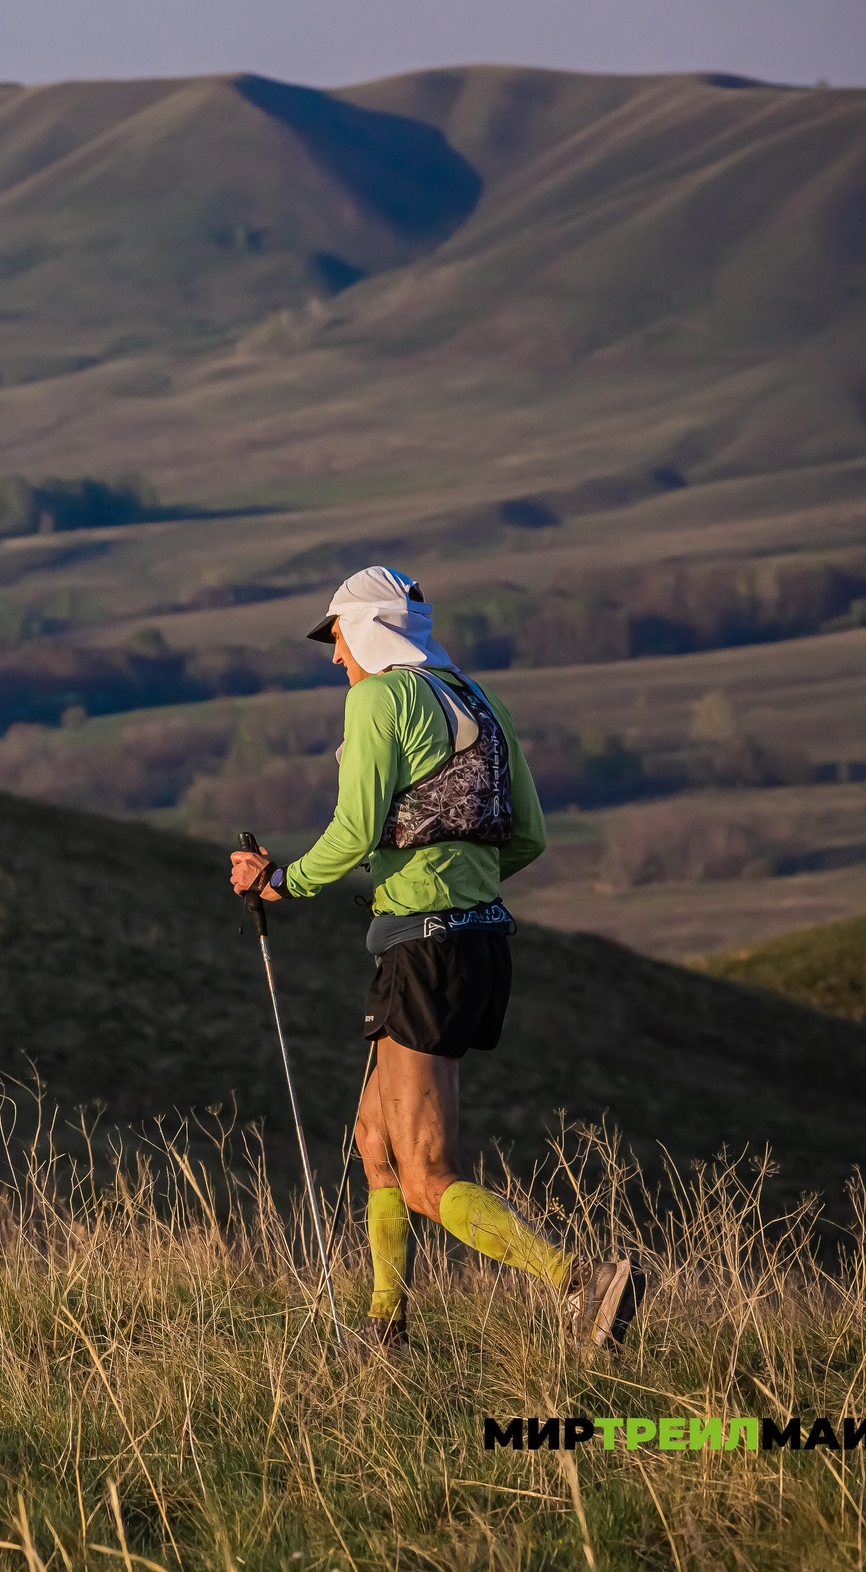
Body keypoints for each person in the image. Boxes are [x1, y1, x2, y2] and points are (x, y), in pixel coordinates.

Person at [227, 566, 638, 1352]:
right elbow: (530, 838)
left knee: (423, 1174)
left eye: (338, 636)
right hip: (474, 943)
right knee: (373, 1143)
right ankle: (385, 1332)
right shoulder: (479, 699)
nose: (335, 657)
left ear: (368, 630)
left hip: (424, 946)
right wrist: (464, 884)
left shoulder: (379, 699)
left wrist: (282, 880)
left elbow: (352, 832)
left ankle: (585, 1284)